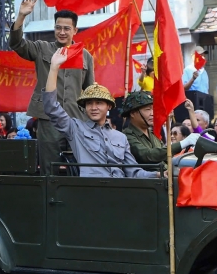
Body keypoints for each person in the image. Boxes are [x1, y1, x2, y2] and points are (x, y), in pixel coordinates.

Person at [43, 49, 164, 178]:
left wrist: (158, 174)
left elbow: (134, 172)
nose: (93, 107)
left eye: (99, 103)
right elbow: (51, 107)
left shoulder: (120, 137)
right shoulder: (75, 128)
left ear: (109, 106)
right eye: (89, 103)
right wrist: (54, 68)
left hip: (121, 190)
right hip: (93, 191)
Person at [10, 0, 95, 175]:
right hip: (48, 120)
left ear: (75, 31)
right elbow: (16, 43)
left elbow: (90, 92)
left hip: (77, 121)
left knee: (80, 167)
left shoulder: (85, 56)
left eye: (66, 28)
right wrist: (22, 16)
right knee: (50, 168)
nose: (62, 32)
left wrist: (93, 121)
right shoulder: (41, 48)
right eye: (58, 28)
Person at [121, 92, 198, 165]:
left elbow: (165, 156)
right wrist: (183, 143)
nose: (152, 113)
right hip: (150, 177)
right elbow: (148, 155)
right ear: (133, 113)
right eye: (148, 109)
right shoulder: (126, 136)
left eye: (153, 109)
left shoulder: (153, 135)